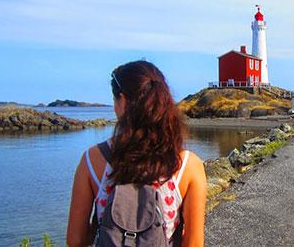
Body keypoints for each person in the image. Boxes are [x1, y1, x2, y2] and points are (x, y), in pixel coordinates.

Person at [67, 61, 207, 246]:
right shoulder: (187, 165)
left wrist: (99, 223)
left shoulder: (92, 159)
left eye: (115, 100)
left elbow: (76, 240)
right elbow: (194, 243)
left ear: (122, 100)